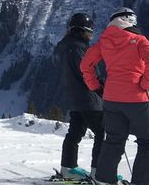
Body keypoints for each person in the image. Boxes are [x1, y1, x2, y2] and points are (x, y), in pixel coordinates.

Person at [81, 7, 149, 185]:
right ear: (130, 21)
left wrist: (95, 87)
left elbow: (85, 65)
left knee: (113, 140)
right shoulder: (139, 40)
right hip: (137, 99)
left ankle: (104, 180)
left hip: (111, 99)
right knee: (148, 141)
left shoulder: (104, 42)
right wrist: (146, 84)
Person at [55, 13, 104, 181]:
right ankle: (100, 173)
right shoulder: (79, 48)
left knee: (74, 133)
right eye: (90, 31)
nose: (92, 35)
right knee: (103, 132)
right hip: (89, 99)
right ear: (84, 30)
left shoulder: (65, 46)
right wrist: (103, 90)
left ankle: (68, 167)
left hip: (74, 97)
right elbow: (89, 73)